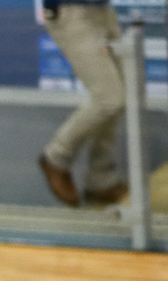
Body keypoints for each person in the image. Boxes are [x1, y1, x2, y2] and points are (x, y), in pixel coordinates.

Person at [37, 0, 129, 208]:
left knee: (123, 95)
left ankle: (101, 179)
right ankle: (55, 158)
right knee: (109, 100)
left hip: (101, 8)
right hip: (71, 11)